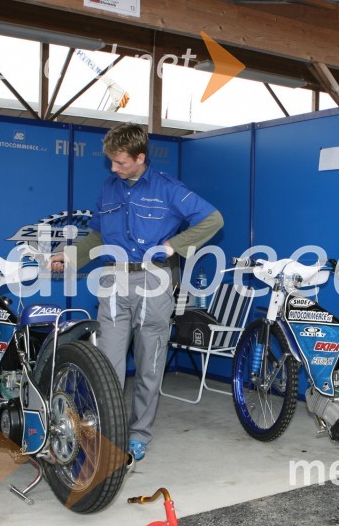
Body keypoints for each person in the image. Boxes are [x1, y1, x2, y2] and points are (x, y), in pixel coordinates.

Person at [50, 123, 223, 461]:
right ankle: (106, 432)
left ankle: (139, 434)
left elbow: (213, 219)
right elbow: (97, 237)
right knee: (107, 365)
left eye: (121, 162)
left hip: (154, 284)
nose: (114, 169)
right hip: (113, 280)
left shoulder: (169, 189)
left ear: (140, 157)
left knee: (149, 366)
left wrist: (177, 244)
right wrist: (69, 256)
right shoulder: (108, 188)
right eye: (111, 162)